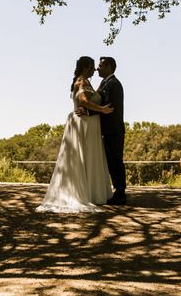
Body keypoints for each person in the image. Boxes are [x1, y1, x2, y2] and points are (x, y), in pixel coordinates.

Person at [36, 56, 114, 213]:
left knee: (89, 157)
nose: (95, 69)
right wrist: (102, 110)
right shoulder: (81, 81)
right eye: (93, 67)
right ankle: (80, 194)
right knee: (81, 156)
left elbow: (91, 98)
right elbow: (83, 101)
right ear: (86, 68)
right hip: (82, 124)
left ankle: (90, 192)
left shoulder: (86, 81)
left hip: (90, 124)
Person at [95, 57, 127, 205]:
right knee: (111, 161)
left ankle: (120, 193)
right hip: (108, 130)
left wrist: (89, 113)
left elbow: (109, 107)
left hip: (114, 130)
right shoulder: (105, 83)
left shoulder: (114, 84)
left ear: (109, 67)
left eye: (100, 65)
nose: (97, 68)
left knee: (116, 161)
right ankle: (117, 192)